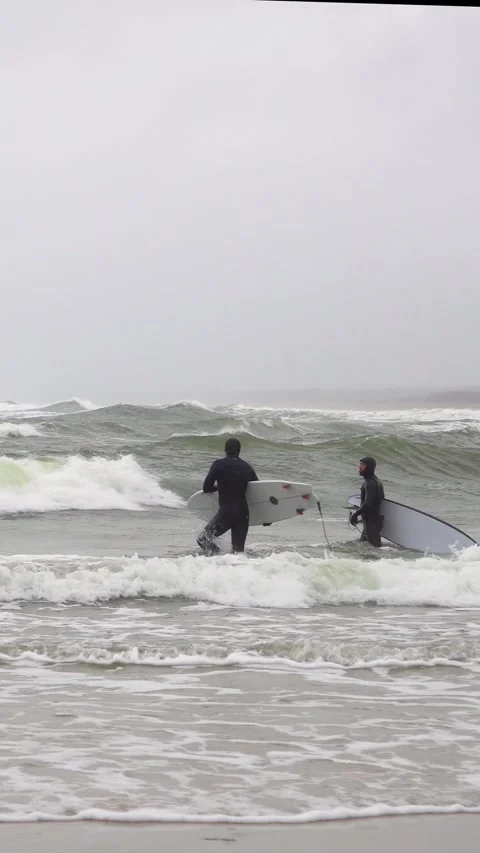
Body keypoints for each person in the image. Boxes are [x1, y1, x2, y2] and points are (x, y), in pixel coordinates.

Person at [197, 437, 259, 555]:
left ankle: (220, 558)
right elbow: (257, 489)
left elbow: (206, 488)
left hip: (227, 513)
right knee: (238, 553)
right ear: (239, 451)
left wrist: (218, 487)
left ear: (225, 450)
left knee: (203, 539)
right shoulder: (247, 467)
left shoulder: (218, 465)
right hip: (243, 514)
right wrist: (267, 517)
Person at [350, 456, 385, 547]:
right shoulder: (376, 481)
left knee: (373, 553)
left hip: (372, 524)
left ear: (369, 467)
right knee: (365, 549)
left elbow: (368, 503)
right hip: (372, 522)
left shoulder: (370, 483)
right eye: (360, 464)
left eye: (363, 465)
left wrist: (355, 514)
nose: (360, 467)